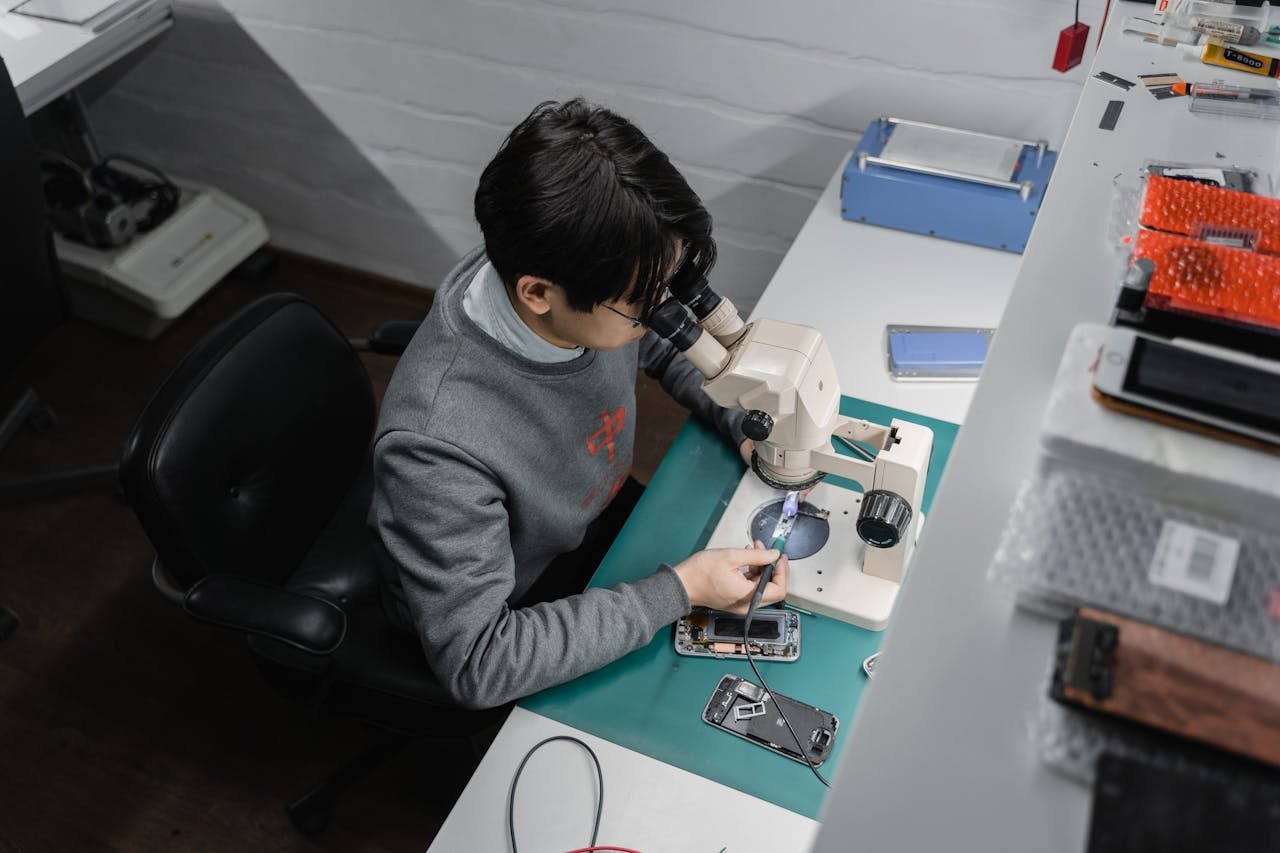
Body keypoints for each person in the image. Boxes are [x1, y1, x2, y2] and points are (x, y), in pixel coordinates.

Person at [369, 98, 788, 710]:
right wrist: (682, 589)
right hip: (520, 596)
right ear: (537, 293)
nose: (662, 314)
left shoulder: (578, 279)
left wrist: (741, 422)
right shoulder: (435, 448)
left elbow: (659, 344)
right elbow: (481, 663)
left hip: (595, 519)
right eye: (644, 305)